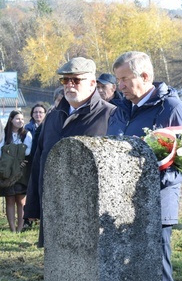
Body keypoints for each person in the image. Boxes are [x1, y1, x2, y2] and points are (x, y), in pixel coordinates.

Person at [108, 51, 182, 281]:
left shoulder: (171, 108)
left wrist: (146, 186)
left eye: (125, 79)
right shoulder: (120, 109)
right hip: (119, 208)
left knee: (159, 273)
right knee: (126, 275)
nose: (120, 86)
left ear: (145, 76)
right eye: (117, 80)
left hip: (156, 206)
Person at [25, 57, 115, 244]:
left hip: (90, 213)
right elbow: (38, 162)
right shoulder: (52, 117)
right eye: (65, 80)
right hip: (53, 207)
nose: (69, 85)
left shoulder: (111, 115)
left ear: (92, 83)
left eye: (75, 80)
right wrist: (32, 207)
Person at [1, 110, 32, 232]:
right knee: (9, 199)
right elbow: (1, 149)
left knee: (21, 200)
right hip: (7, 170)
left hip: (22, 170)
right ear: (11, 120)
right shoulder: (4, 134)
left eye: (22, 119)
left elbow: (28, 151)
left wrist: (13, 154)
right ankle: (12, 228)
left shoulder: (26, 134)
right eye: (17, 119)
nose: (21, 121)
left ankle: (20, 227)